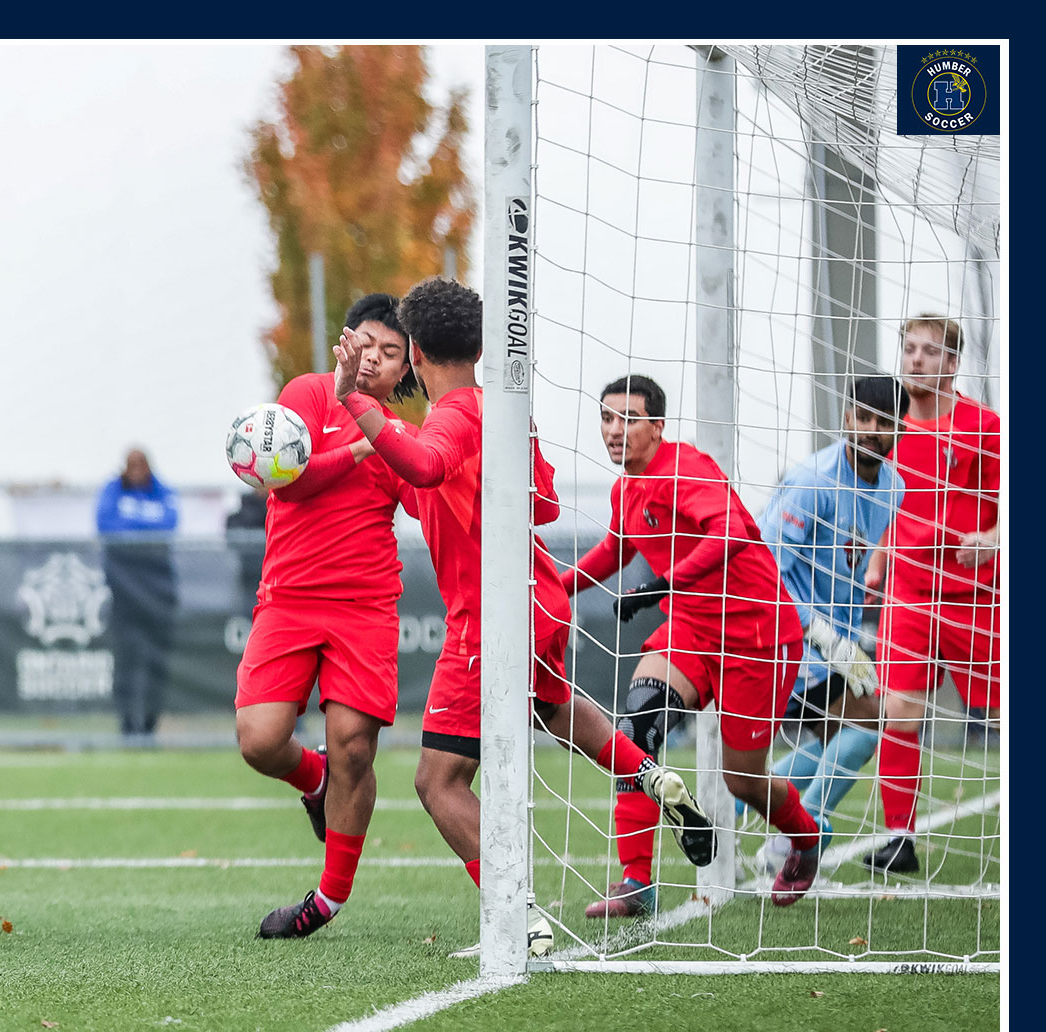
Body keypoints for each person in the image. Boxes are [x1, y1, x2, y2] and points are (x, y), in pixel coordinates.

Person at [350, 276, 692, 954]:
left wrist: (360, 404)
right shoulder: (504, 410)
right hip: (543, 598)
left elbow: (424, 466)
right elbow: (543, 508)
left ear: (415, 353)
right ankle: (649, 773)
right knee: (552, 709)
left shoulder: (448, 418)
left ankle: (518, 914)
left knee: (438, 780)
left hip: (491, 616)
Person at [562, 375, 823, 915]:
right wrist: (552, 588)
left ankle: (804, 835)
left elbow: (733, 530)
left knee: (744, 780)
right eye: (607, 418)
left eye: (628, 419)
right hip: (693, 631)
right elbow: (616, 548)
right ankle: (637, 882)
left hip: (759, 636)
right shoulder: (625, 487)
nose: (615, 430)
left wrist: (661, 584)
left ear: (657, 427)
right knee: (636, 726)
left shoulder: (684, 467)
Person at [235, 293, 418, 939]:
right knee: (258, 741)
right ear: (345, 341)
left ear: (406, 371)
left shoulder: (402, 434)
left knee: (356, 750)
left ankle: (329, 899)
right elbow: (288, 479)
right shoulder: (309, 393)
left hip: (366, 608)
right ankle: (313, 782)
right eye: (366, 343)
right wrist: (365, 447)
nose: (373, 359)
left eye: (390, 353)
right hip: (288, 598)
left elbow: (429, 499)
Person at [749, 376, 904, 873]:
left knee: (834, 737)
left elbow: (854, 563)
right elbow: (766, 567)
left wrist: (850, 636)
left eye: (882, 422)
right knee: (865, 723)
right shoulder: (812, 480)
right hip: (781, 631)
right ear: (846, 419)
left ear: (899, 427)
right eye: (861, 418)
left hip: (834, 642)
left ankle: (725, 820)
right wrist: (821, 635)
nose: (869, 430)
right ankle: (797, 840)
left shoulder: (894, 488)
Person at [866, 316, 1001, 875]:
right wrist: (875, 559)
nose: (915, 360)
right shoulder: (887, 428)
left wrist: (992, 539)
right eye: (909, 349)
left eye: (929, 351)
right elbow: (881, 505)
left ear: (952, 363)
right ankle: (899, 838)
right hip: (910, 594)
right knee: (898, 711)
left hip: (978, 597)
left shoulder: (984, 426)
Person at [95, 448, 180, 739]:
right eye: (131, 465)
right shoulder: (112, 490)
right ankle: (127, 725)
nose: (136, 470)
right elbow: (106, 524)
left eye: (141, 465)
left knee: (155, 662)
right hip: (124, 594)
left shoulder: (163, 491)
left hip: (158, 592)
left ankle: (149, 724)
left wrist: (133, 527)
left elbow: (169, 523)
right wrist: (143, 528)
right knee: (126, 661)